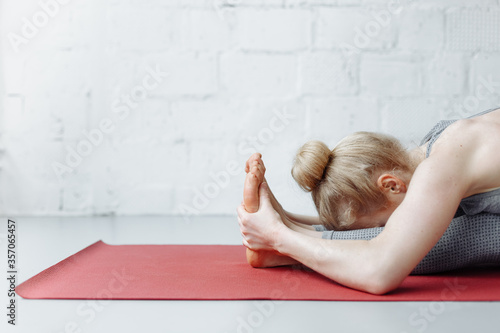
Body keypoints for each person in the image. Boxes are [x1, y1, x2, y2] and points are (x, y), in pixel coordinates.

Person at [237, 108, 500, 295]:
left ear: (391, 185)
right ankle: (288, 236)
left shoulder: (439, 170)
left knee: (462, 235)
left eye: (383, 225)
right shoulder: (438, 141)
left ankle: (282, 250)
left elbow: (379, 271)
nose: (384, 228)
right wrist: (288, 220)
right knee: (427, 228)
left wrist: (276, 236)